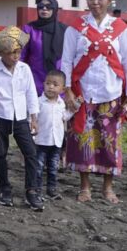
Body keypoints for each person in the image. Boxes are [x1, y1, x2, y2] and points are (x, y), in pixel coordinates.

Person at [61, 0, 127, 204]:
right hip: (82, 94)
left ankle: (108, 188)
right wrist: (67, 92)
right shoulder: (74, 28)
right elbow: (66, 61)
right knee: (81, 141)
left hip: (110, 93)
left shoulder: (120, 29)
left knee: (109, 142)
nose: (95, 2)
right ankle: (84, 187)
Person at [0, 26, 43, 211]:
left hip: (20, 118)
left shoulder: (24, 69)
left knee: (30, 153)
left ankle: (32, 191)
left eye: (18, 52)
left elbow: (31, 93)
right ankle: (5, 190)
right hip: (1, 118)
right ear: (1, 53)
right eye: (10, 53)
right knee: (0, 154)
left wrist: (33, 118)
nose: (15, 56)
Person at [33, 69, 73, 200]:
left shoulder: (61, 104)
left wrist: (75, 107)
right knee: (38, 168)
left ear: (62, 89)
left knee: (53, 168)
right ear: (43, 84)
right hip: (40, 141)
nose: (50, 87)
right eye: (48, 83)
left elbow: (65, 117)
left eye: (55, 85)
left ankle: (51, 189)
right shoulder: (38, 102)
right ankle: (37, 190)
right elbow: (32, 120)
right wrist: (32, 134)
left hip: (56, 142)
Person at [20, 0, 66, 96]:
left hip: (59, 80)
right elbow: (20, 54)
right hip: (35, 79)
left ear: (55, 9)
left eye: (49, 6)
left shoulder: (65, 30)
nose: (44, 9)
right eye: (41, 6)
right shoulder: (27, 29)